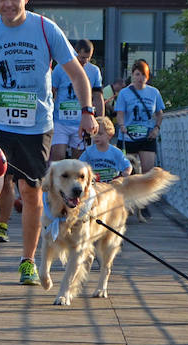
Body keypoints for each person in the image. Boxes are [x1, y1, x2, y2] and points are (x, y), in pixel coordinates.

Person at [0, 0, 98, 289]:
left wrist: (87, 112)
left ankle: (28, 262)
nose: (8, 4)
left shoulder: (45, 29)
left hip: (35, 126)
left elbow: (77, 74)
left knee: (31, 192)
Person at [113, 58, 165, 216]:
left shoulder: (154, 92)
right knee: (128, 172)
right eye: (137, 74)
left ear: (147, 76)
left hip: (147, 137)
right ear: (132, 75)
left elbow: (160, 113)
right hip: (128, 137)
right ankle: (128, 202)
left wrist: (157, 127)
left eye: (143, 75)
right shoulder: (124, 93)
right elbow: (120, 113)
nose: (140, 78)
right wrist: (121, 126)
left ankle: (143, 203)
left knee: (148, 171)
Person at [50, 39, 104, 162]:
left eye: (88, 58)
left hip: (81, 121)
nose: (84, 61)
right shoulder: (60, 68)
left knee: (79, 159)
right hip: (60, 121)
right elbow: (52, 91)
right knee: (58, 156)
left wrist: (101, 119)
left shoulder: (94, 71)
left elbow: (97, 96)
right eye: (82, 58)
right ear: (75, 53)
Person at [79, 116, 132, 182]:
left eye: (100, 134)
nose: (96, 136)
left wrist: (126, 173)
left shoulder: (116, 152)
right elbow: (78, 165)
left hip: (112, 186)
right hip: (95, 186)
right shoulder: (88, 151)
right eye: (94, 133)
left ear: (109, 135)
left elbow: (127, 166)